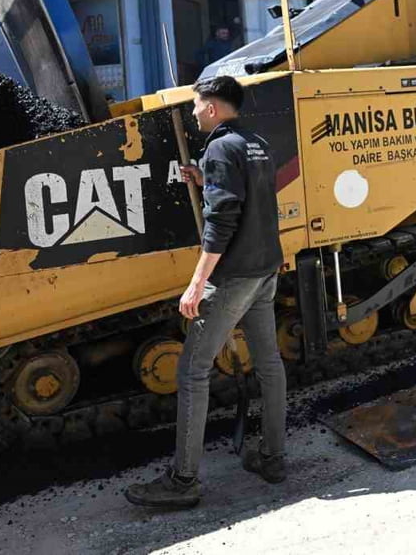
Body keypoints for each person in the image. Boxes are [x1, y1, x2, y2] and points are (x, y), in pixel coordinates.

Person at [125, 75, 287, 509]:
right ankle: (273, 458)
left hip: (233, 276)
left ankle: (183, 481)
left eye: (197, 105)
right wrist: (203, 178)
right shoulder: (257, 143)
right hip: (266, 269)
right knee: (269, 363)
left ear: (213, 107)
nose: (194, 111)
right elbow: (253, 201)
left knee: (193, 371)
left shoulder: (219, 147)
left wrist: (197, 283)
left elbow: (222, 222)